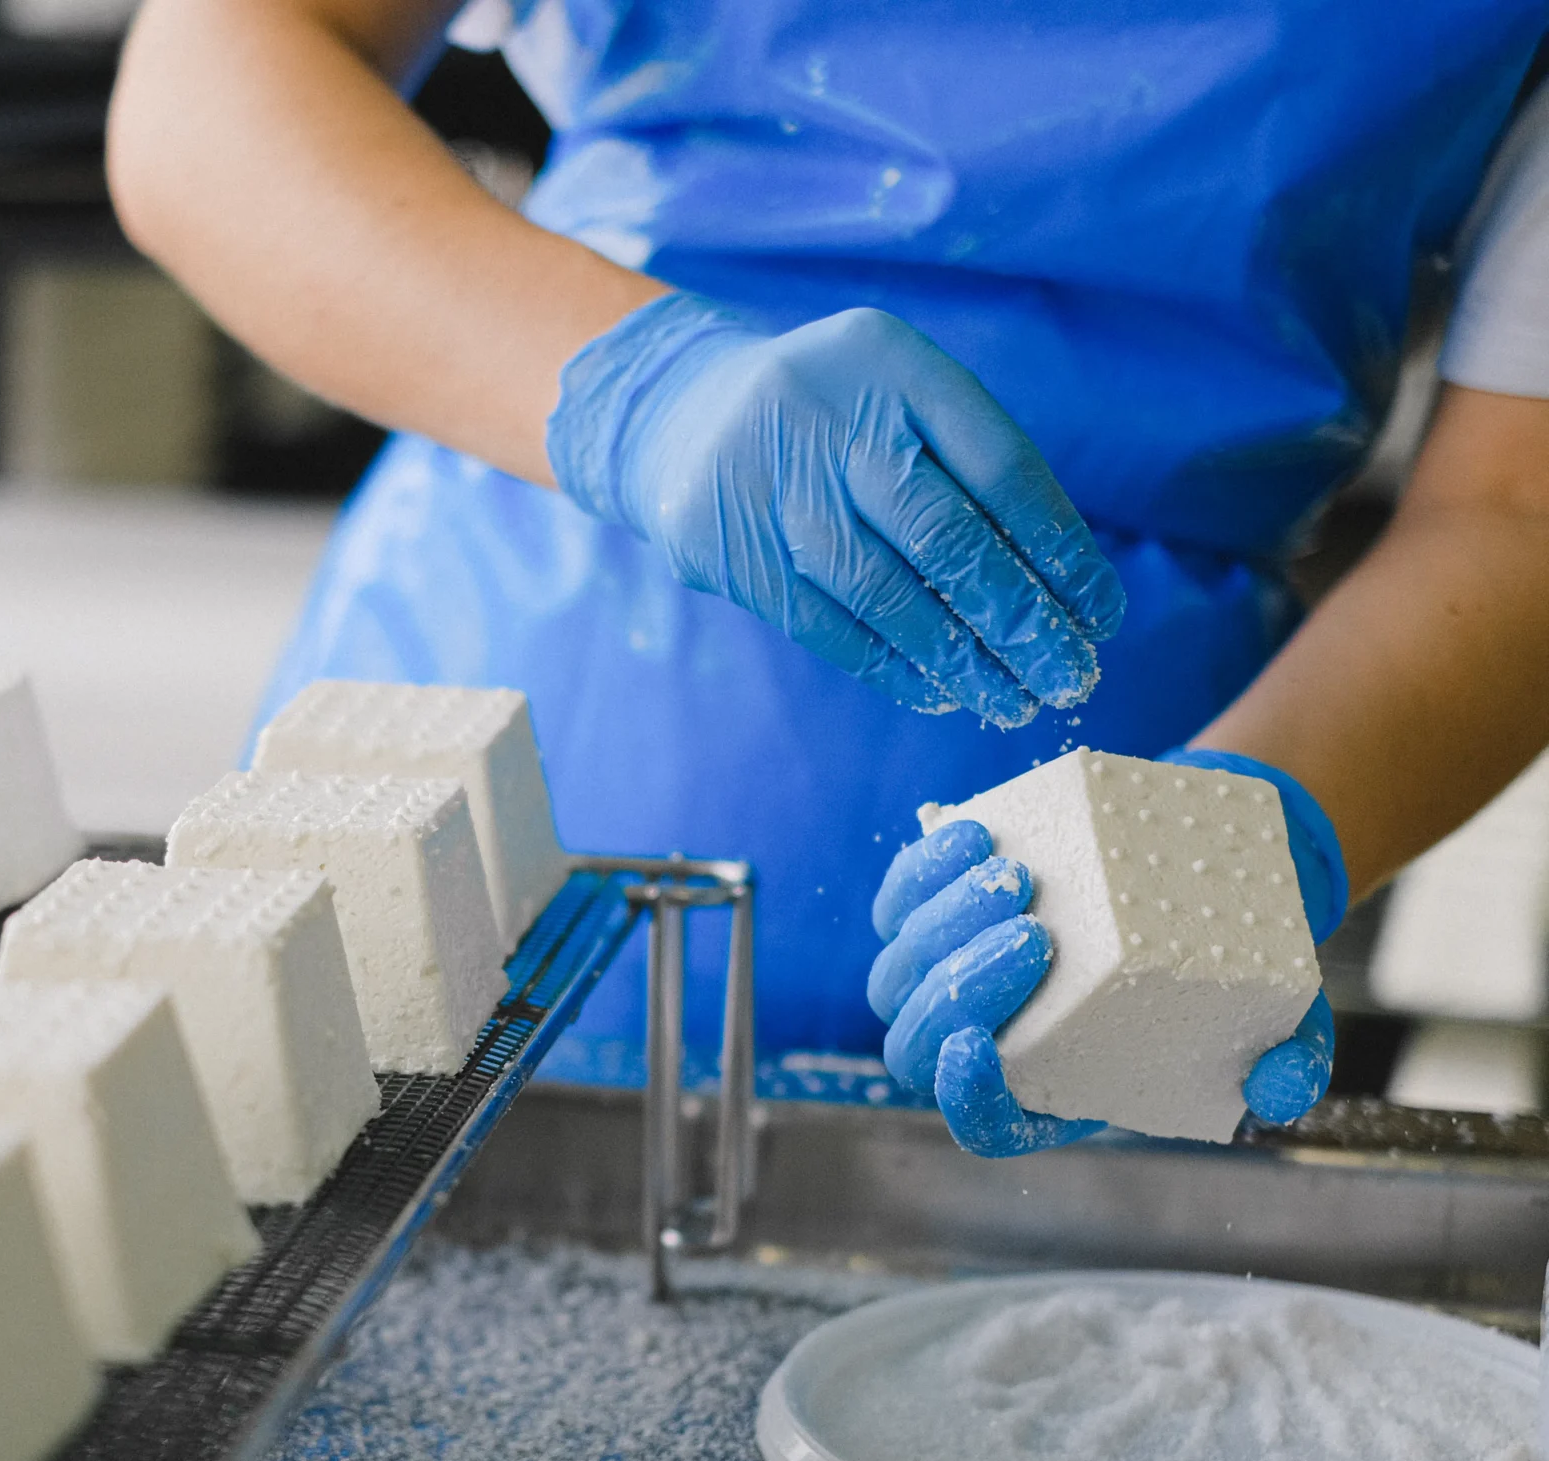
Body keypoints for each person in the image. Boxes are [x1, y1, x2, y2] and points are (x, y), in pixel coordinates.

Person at [106, 0, 1549, 1151]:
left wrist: (1265, 827)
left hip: (1108, 853)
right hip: (503, 713)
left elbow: (1517, 501)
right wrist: (640, 393)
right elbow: (216, 80)